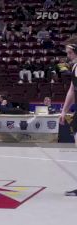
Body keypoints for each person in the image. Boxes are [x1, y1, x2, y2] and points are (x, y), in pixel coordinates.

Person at [59, 37, 77, 196]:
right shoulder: (74, 67)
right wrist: (64, 111)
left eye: (70, 53)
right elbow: (72, 90)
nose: (68, 56)